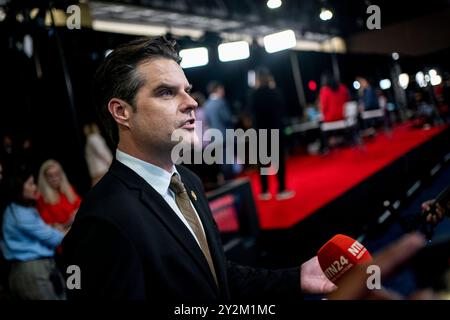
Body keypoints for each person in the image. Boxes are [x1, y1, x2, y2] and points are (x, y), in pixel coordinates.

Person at [61, 36, 335, 301]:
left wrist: (296, 277)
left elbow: (216, 276)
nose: (191, 103)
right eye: (166, 92)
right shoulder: (103, 219)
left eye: (187, 91)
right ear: (122, 112)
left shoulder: (188, 182)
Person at [0, 170, 66, 300]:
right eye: (30, 184)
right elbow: (55, 239)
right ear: (19, 187)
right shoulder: (20, 214)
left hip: (37, 268)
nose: (35, 187)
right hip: (31, 271)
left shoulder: (22, 210)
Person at [248, 67, 295, 201]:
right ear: (269, 78)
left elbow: (250, 113)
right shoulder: (276, 93)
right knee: (278, 161)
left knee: (262, 163)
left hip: (260, 132)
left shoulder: (253, 95)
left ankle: (265, 191)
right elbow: (282, 111)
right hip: (275, 131)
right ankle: (281, 190)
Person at [203, 81, 234, 181]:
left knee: (220, 160)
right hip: (225, 135)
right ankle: (230, 182)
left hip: (214, 137)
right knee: (227, 161)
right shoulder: (221, 102)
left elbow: (207, 121)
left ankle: (225, 180)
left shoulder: (206, 105)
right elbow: (227, 118)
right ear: (218, 89)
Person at [36, 160, 81, 230]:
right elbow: (50, 226)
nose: (55, 178)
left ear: (61, 175)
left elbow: (80, 205)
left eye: (57, 174)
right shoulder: (42, 198)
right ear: (45, 178)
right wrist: (68, 222)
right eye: (50, 176)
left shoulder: (69, 189)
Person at [318, 72, 351, 152]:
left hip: (330, 118)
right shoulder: (343, 87)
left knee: (319, 124)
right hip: (343, 117)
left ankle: (324, 147)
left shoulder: (324, 90)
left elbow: (324, 107)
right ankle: (342, 139)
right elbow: (348, 100)